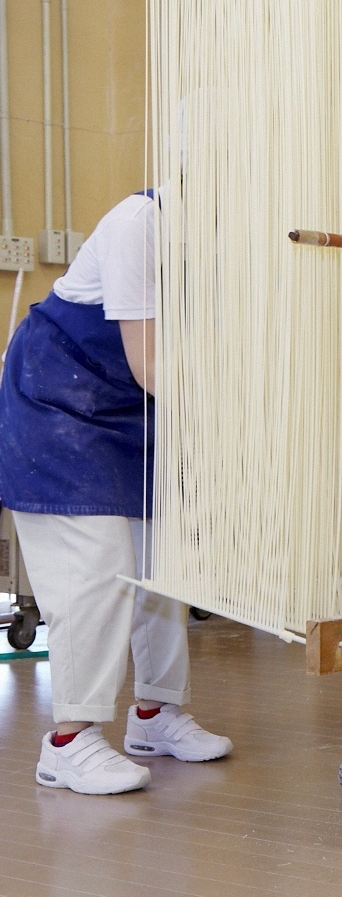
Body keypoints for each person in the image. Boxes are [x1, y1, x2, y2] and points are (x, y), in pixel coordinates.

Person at [0, 188, 232, 796]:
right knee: (99, 566)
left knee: (160, 563)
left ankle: (155, 716)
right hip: (60, 402)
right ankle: (68, 743)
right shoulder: (141, 224)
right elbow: (151, 364)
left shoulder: (223, 238)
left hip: (132, 410)